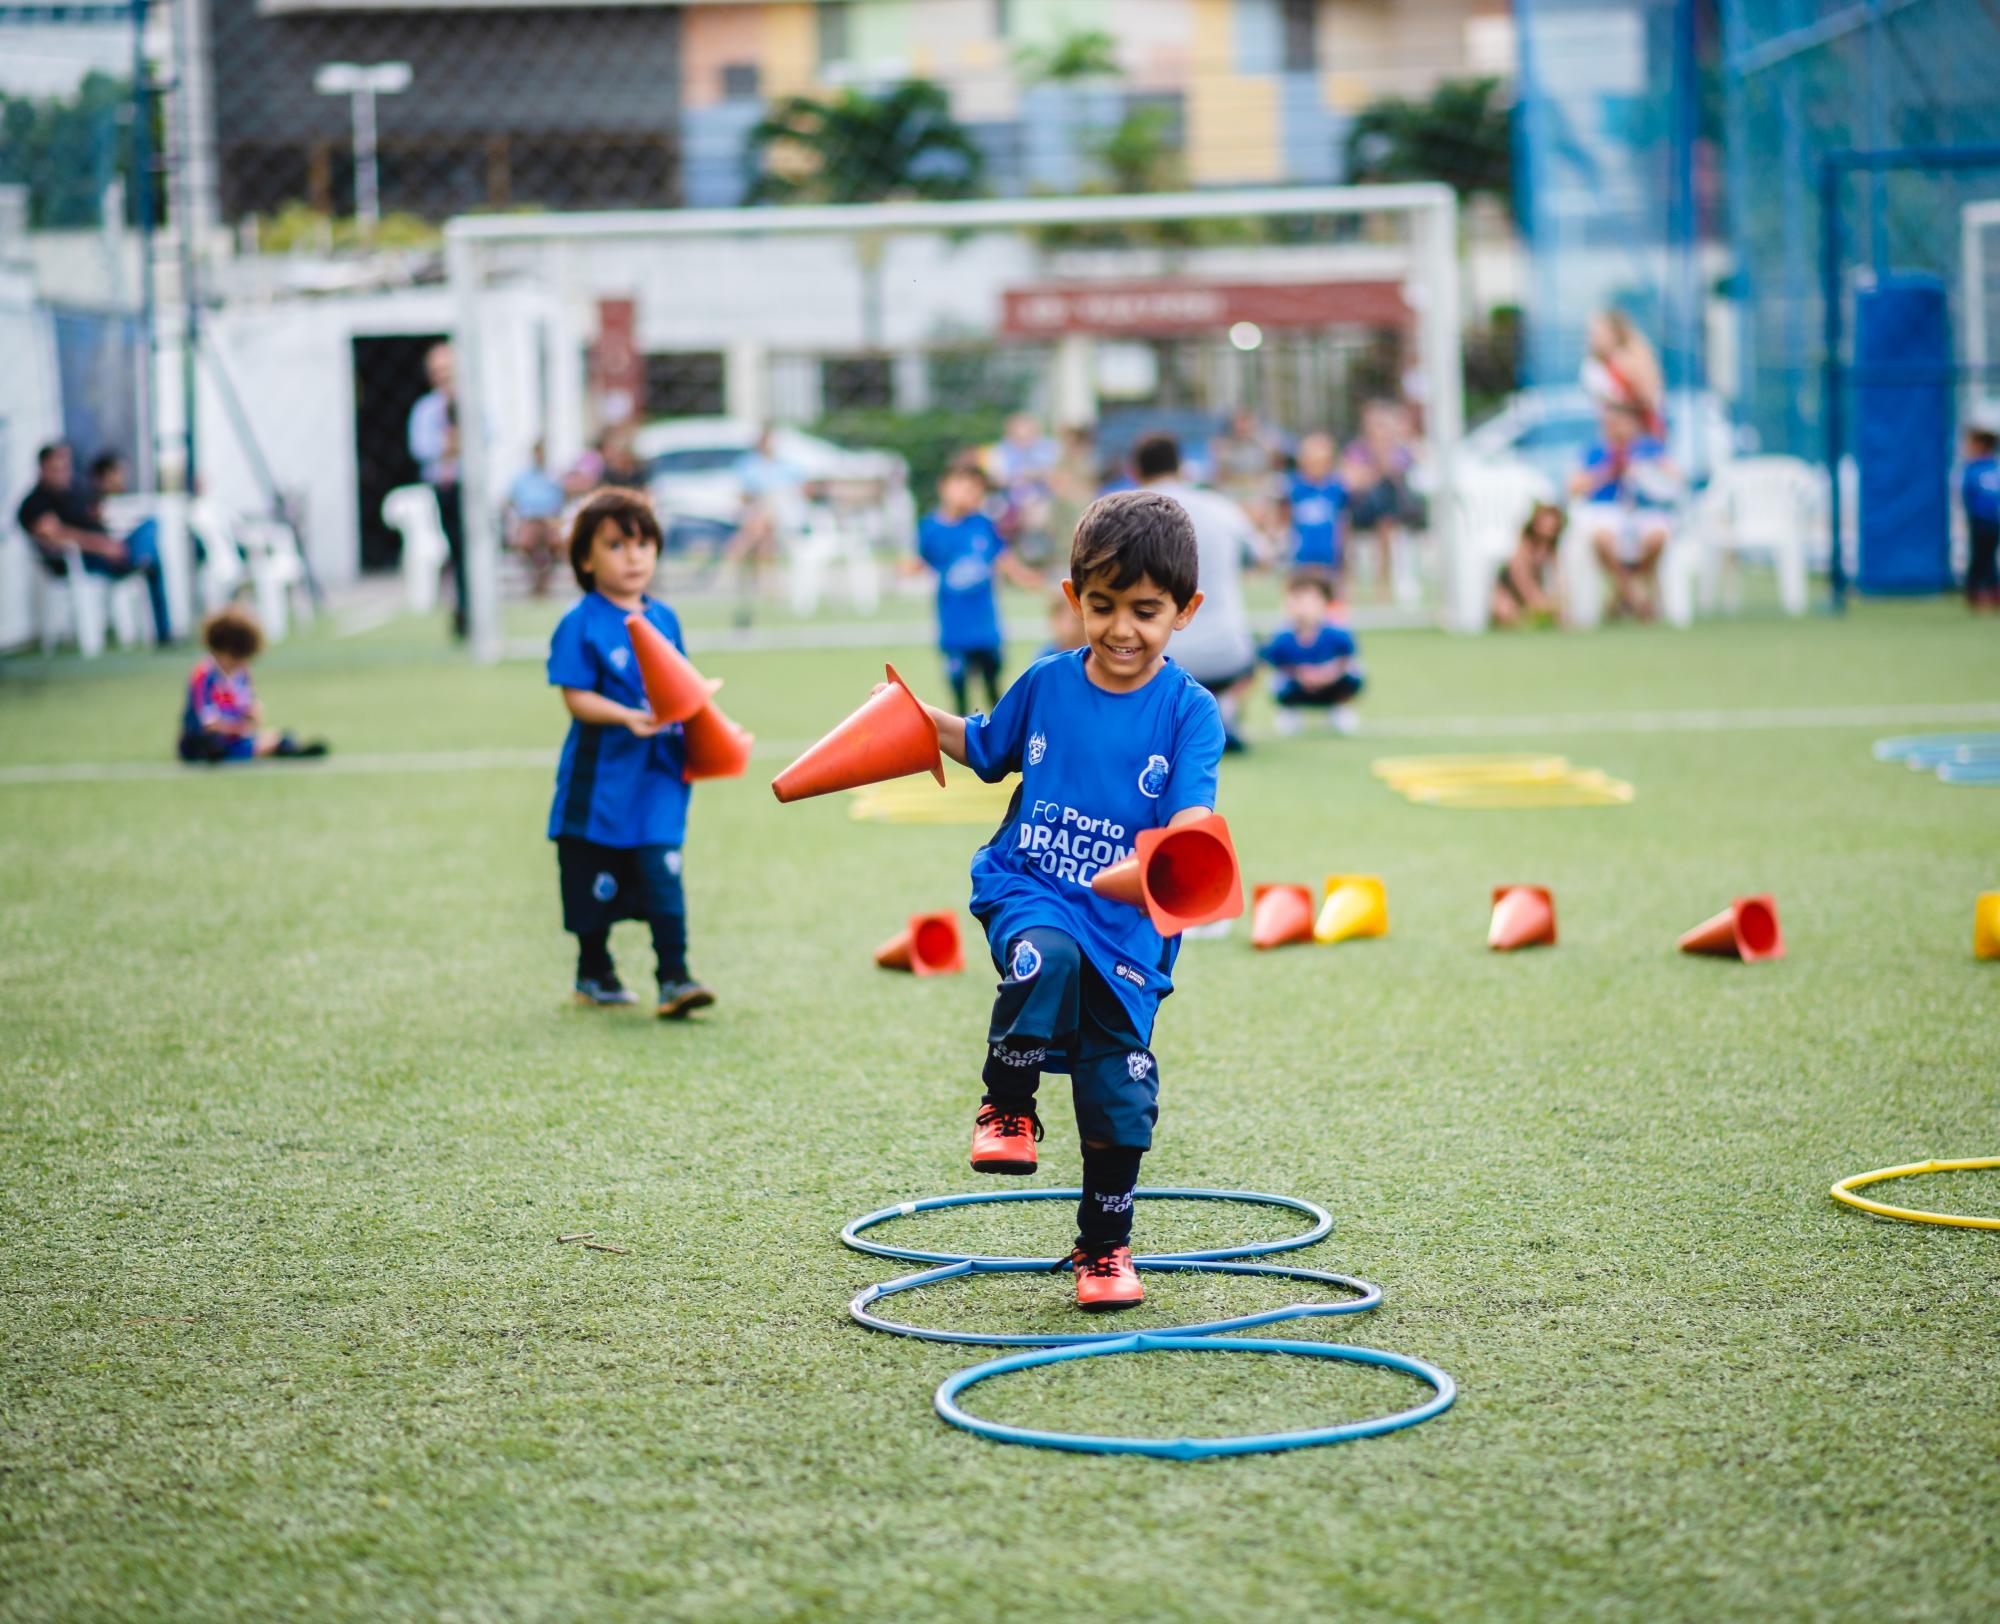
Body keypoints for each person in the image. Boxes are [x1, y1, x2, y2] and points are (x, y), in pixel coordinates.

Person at [906, 489, 1225, 1311]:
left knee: (1121, 1094)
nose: (1123, 628)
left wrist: (1184, 849)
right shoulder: (1048, 683)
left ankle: (1104, 1249)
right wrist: (908, 719)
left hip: (1127, 928)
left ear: (1184, 611)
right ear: (1072, 599)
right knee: (1043, 957)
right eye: (1103, 605)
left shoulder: (1190, 712)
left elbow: (1192, 812)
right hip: (1031, 885)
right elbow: (983, 747)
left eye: (1146, 611)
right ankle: (1007, 1104)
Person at [546, 489, 713, 1019]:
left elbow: (680, 688)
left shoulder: (665, 618)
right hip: (600, 787)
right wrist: (625, 716)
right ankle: (593, 969)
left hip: (659, 778)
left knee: (664, 869)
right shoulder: (581, 623)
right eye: (617, 545)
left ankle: (675, 977)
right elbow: (575, 698)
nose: (634, 556)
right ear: (586, 559)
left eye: (643, 544)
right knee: (591, 883)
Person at [1138, 431, 1267, 754]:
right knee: (1255, 643)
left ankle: (1158, 723)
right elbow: (1261, 556)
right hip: (1226, 654)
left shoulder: (1125, 512)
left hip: (1153, 657)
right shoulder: (1220, 507)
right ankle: (1223, 709)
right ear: (1182, 467)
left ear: (1135, 470)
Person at [913, 458, 1042, 715]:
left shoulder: (982, 525)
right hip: (953, 628)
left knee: (994, 689)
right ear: (945, 487)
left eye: (977, 490)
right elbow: (918, 562)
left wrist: (1034, 580)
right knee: (959, 692)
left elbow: (1005, 561)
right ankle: (962, 743)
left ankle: (1002, 744)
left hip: (985, 626)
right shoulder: (930, 529)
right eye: (965, 487)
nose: (971, 495)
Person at [16, 442, 172, 644]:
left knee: (151, 527)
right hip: (82, 561)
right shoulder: (34, 502)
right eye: (57, 468)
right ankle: (136, 559)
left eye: (66, 467)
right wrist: (103, 545)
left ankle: (163, 631)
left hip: (107, 552)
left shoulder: (74, 492)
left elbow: (95, 513)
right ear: (42, 468)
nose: (63, 473)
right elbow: (56, 535)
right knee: (150, 557)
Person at [1570, 401, 1678, 622]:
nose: (1616, 427)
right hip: (1605, 512)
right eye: (1610, 423)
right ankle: (1637, 598)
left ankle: (1622, 595)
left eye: (1621, 422)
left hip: (1643, 513)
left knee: (1658, 537)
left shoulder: (1650, 449)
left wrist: (1644, 470)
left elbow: (1675, 480)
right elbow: (1573, 487)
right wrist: (1608, 472)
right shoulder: (1594, 451)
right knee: (1602, 538)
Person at [176, 605, 327, 763]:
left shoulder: (242, 674)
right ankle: (248, 751)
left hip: (234, 736)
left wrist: (252, 716)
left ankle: (285, 747)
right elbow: (208, 723)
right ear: (220, 650)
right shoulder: (204, 675)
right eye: (236, 658)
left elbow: (248, 707)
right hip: (203, 739)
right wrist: (238, 729)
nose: (240, 663)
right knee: (213, 743)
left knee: (279, 738)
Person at [406, 342, 465, 638]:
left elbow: (489, 438)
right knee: (452, 550)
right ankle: (460, 607)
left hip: (468, 487)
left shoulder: (472, 404)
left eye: (447, 369)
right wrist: (445, 445)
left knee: (472, 551)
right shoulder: (426, 410)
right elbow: (420, 448)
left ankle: (473, 607)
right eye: (437, 370)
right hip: (443, 488)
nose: (442, 375)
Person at [1260, 570, 1365, 735]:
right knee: (1276, 682)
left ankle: (1339, 707)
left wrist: (1326, 675)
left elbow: (1347, 660)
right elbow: (1272, 663)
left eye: (1308, 600)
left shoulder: (1337, 634)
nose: (1302, 606)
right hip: (1298, 685)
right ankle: (1290, 710)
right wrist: (1300, 674)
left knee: (1354, 675)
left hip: (1331, 683)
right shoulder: (1282, 637)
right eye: (1296, 599)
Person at [1341, 400, 1423, 599]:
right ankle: (1349, 581)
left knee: (1386, 524)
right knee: (1343, 523)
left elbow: (1398, 472)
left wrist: (1381, 456)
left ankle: (1383, 581)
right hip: (1360, 506)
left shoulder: (1397, 448)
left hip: (1390, 509)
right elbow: (1350, 480)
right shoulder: (1356, 448)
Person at [722, 426, 798, 627]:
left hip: (777, 516)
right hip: (757, 514)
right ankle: (764, 576)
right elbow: (742, 494)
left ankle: (732, 557)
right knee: (761, 526)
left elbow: (792, 493)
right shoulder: (748, 465)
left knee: (762, 521)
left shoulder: (784, 466)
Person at [1580, 308, 1665, 438]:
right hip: (1616, 436)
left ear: (1614, 333)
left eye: (1599, 333)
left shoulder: (1633, 356)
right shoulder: (1594, 366)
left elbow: (1649, 399)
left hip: (1642, 432)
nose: (1592, 338)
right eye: (1591, 334)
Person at [1279, 431, 1349, 582]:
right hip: (1301, 554)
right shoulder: (1294, 486)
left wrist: (1343, 550)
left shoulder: (1335, 487)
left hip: (1328, 554)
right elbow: (1285, 517)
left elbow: (1342, 520)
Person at [1490, 502, 1566, 628]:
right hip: (1508, 589)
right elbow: (1521, 579)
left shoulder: (1553, 548)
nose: (1549, 524)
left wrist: (1557, 602)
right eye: (1545, 519)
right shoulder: (1523, 545)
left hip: (1534, 591)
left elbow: (1559, 579)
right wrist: (1539, 602)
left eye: (1553, 519)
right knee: (1505, 614)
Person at [505, 440, 566, 597]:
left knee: (557, 544)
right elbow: (512, 500)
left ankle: (544, 577)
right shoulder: (522, 478)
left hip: (549, 519)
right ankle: (535, 577)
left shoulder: (553, 476)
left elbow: (561, 499)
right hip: (529, 519)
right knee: (525, 543)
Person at [1211, 407, 1283, 537]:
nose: (1242, 427)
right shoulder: (1224, 448)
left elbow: (1270, 476)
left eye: (1246, 423)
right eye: (1239, 423)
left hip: (1256, 499)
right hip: (1233, 499)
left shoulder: (1263, 447)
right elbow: (1219, 479)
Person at [1960, 425, 1999, 610]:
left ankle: (1984, 592)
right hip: (1984, 520)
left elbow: (1969, 494)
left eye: (1970, 443)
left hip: (1986, 520)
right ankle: (1977, 592)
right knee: (1982, 556)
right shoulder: (1987, 468)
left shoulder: (1976, 469)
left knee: (1985, 556)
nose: (1967, 447)